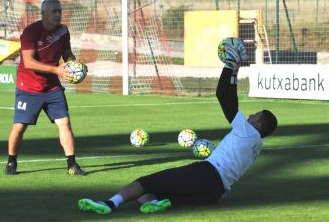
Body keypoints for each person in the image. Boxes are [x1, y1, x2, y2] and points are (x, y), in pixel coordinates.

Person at [77, 38, 277, 213]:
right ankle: (154, 202)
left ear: (259, 124)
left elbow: (224, 96)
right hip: (216, 192)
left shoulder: (248, 131)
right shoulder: (257, 145)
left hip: (205, 174)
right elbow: (230, 98)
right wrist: (234, 71)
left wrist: (230, 65)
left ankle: (109, 204)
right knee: (148, 195)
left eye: (255, 115)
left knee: (144, 182)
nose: (250, 115)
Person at [4, 0, 87, 176]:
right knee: (19, 127)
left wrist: (74, 67)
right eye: (54, 11)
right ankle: (11, 162)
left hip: (52, 88)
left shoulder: (63, 31)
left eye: (59, 11)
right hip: (29, 88)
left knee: (64, 123)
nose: (58, 14)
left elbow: (67, 54)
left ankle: (72, 165)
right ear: (43, 14)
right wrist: (56, 69)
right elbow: (28, 62)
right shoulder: (30, 32)